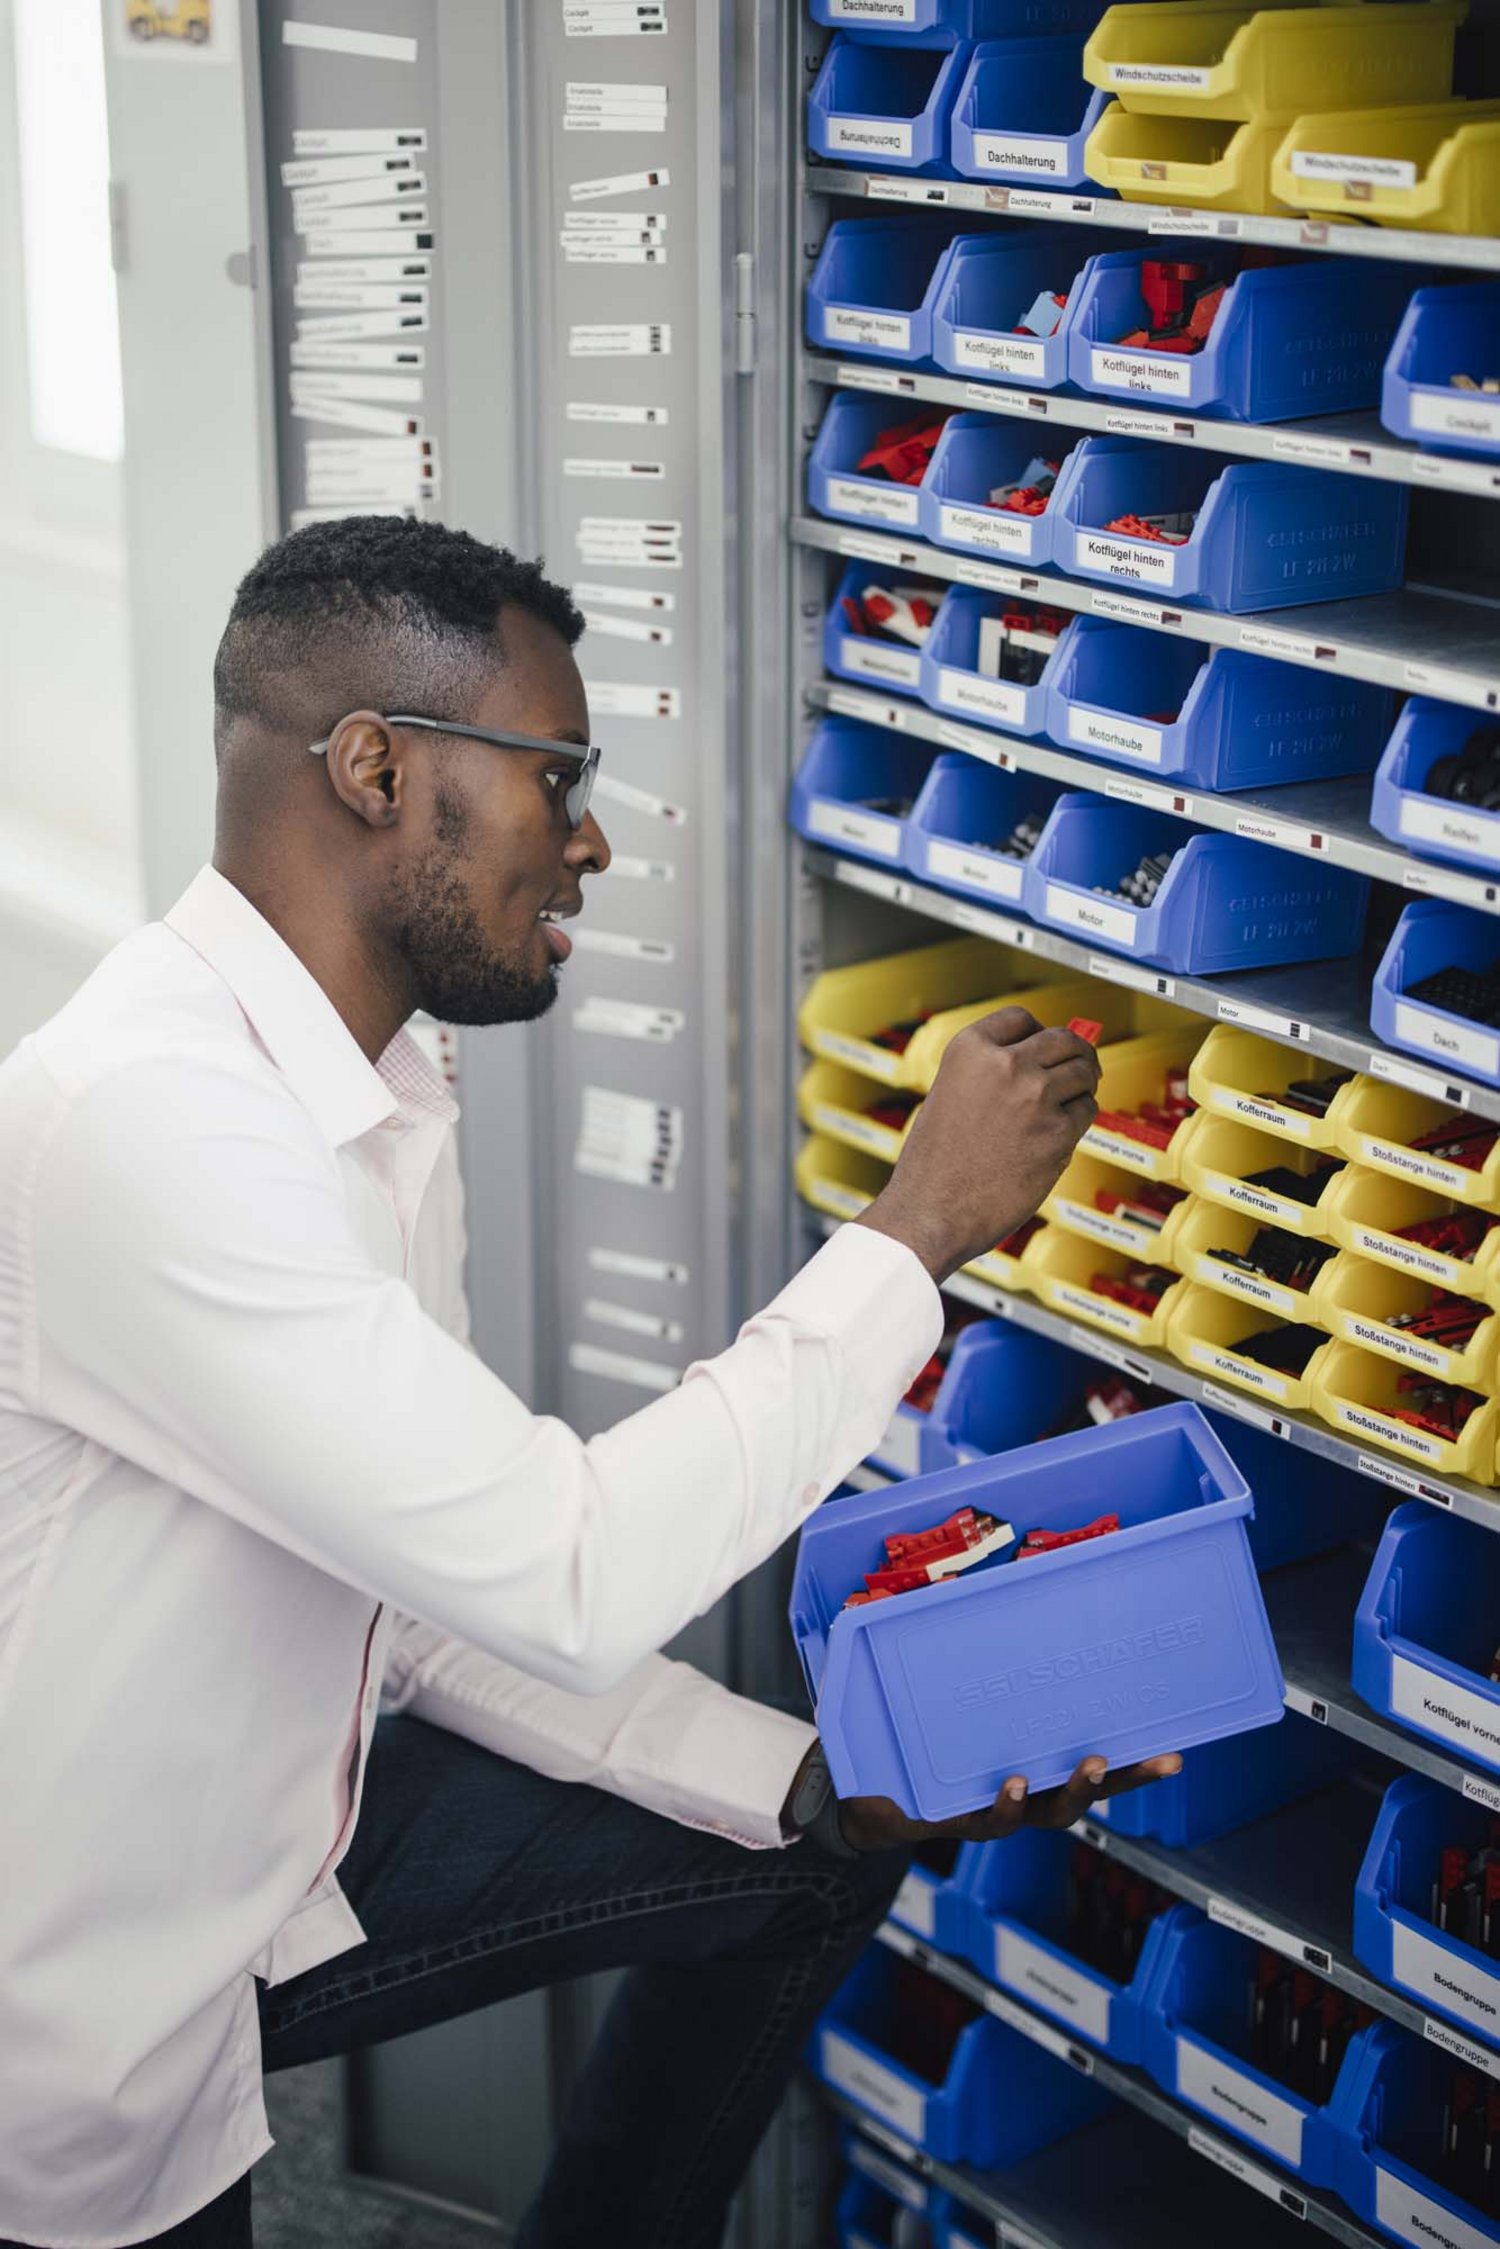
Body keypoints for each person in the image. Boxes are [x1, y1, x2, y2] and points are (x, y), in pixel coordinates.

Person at [0, 517, 1177, 2249]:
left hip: (275, 1853)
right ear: (379, 769)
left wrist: (802, 1781)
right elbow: (561, 1566)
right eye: (560, 776)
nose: (593, 837)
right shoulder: (153, 1125)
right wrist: (913, 1232)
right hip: (70, 2006)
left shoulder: (382, 1087)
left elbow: (423, 1593)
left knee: (819, 1845)